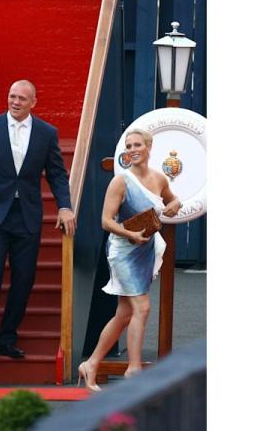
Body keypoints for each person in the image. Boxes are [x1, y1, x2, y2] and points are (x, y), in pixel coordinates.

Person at [0, 79, 77, 365]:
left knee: (24, 279)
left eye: (21, 98)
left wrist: (65, 206)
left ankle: (8, 339)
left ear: (33, 103)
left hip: (26, 216)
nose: (15, 102)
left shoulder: (46, 133)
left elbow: (57, 174)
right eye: (12, 96)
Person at [77, 129, 182, 391]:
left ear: (149, 147)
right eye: (128, 145)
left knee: (124, 314)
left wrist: (176, 204)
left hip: (144, 251)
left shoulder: (159, 178)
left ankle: (91, 364)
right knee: (142, 308)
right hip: (123, 251)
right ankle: (134, 370)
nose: (132, 149)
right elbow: (106, 221)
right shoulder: (120, 182)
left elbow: (173, 200)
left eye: (137, 144)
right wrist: (130, 234)